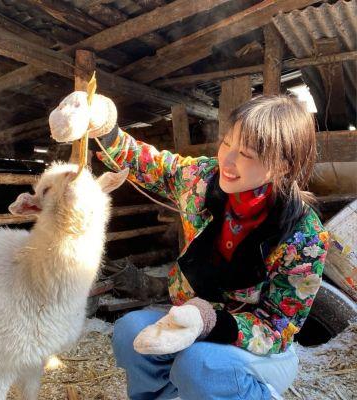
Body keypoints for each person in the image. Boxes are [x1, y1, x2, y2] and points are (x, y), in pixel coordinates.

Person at [85, 94, 329, 400]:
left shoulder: (303, 237)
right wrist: (104, 127)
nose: (227, 161)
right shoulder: (202, 180)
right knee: (129, 331)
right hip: (190, 318)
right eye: (227, 143)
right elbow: (149, 165)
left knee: (199, 364)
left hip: (254, 349)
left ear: (282, 165)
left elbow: (277, 327)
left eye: (246, 154)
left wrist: (209, 322)